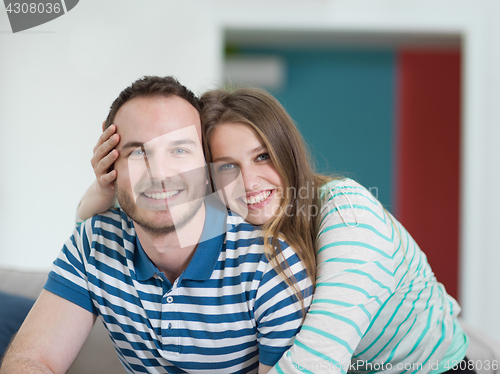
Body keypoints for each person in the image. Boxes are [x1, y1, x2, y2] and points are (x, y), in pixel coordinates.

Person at [77, 84, 475, 374]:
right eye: (227, 166)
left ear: (286, 151)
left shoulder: (349, 213)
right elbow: (127, 239)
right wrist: (106, 187)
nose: (249, 183)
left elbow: (315, 363)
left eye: (262, 156)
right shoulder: (232, 222)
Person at [0, 77, 312, 374]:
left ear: (207, 169)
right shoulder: (93, 241)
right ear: (110, 168)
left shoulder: (270, 265)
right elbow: (31, 359)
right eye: (138, 151)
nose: (160, 172)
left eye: (179, 150)